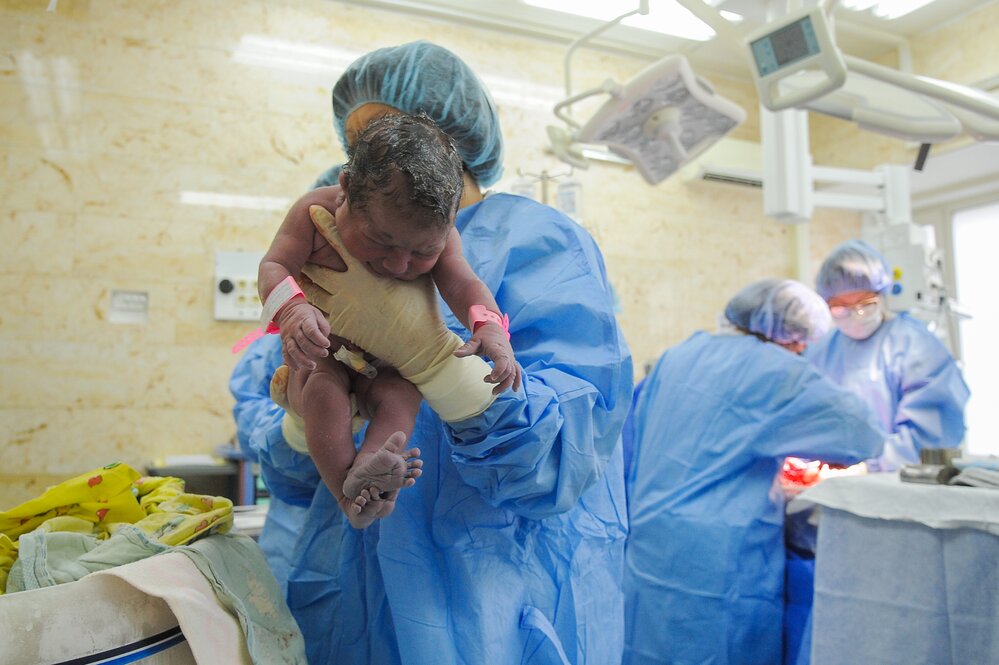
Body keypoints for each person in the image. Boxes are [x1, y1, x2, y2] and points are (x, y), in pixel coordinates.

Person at [230, 40, 633, 665]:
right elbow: (285, 474)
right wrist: (308, 406)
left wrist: (436, 363)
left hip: (483, 605)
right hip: (345, 596)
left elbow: (562, 456)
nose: (398, 260)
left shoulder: (537, 244)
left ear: (448, 144)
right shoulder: (335, 239)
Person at [255, 113, 518, 529]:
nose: (399, 264)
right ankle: (349, 493)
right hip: (329, 353)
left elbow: (465, 283)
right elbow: (273, 266)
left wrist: (489, 328)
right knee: (324, 394)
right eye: (380, 241)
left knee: (400, 397)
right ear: (345, 192)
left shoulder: (443, 235)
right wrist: (292, 309)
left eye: (422, 253)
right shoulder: (312, 214)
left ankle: (375, 472)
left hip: (391, 363)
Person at [622, 279, 884, 665]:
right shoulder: (775, 370)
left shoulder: (681, 354)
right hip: (718, 567)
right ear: (795, 338)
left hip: (650, 552)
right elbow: (863, 434)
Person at [807, 239, 970, 472]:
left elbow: (930, 435)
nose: (855, 314)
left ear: (882, 294)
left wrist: (869, 467)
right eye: (841, 307)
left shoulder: (916, 346)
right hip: (835, 488)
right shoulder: (820, 351)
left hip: (903, 485)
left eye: (865, 303)